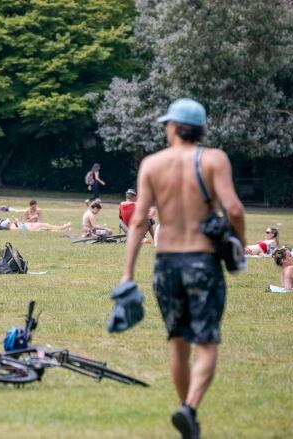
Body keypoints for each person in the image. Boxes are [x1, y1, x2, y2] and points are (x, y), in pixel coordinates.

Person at [119, 98, 245, 439]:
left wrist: (128, 274)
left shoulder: (151, 164)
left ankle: (187, 420)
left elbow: (138, 222)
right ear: (201, 129)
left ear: (173, 127)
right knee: (206, 342)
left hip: (166, 263)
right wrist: (238, 245)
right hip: (202, 261)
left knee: (177, 341)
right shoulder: (214, 160)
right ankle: (189, 408)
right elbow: (233, 208)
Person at [0, 218, 71, 232]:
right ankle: (64, 227)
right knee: (47, 226)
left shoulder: (12, 226)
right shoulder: (12, 228)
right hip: (31, 227)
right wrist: (18, 223)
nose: (9, 222)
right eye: (8, 222)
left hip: (31, 225)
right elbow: (22, 229)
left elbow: (21, 226)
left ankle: (63, 228)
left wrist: (17, 222)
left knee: (48, 226)